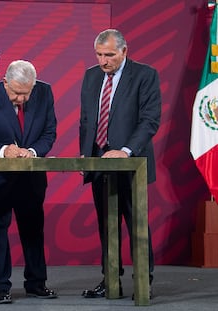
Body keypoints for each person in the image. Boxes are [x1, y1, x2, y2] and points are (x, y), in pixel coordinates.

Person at [79, 29, 161, 299]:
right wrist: (86, 155)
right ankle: (111, 279)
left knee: (136, 222)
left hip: (130, 163)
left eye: (110, 55)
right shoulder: (91, 76)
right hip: (100, 163)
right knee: (107, 224)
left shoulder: (145, 75)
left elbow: (149, 120)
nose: (104, 61)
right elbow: (86, 121)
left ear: (124, 51)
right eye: (100, 54)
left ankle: (143, 281)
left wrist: (126, 151)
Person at [0, 60, 58, 304]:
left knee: (33, 230)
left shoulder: (45, 93)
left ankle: (37, 283)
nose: (21, 99)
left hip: (31, 178)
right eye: (16, 93)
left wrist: (32, 152)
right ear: (5, 82)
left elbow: (49, 133)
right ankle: (0, 287)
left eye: (26, 93)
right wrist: (4, 150)